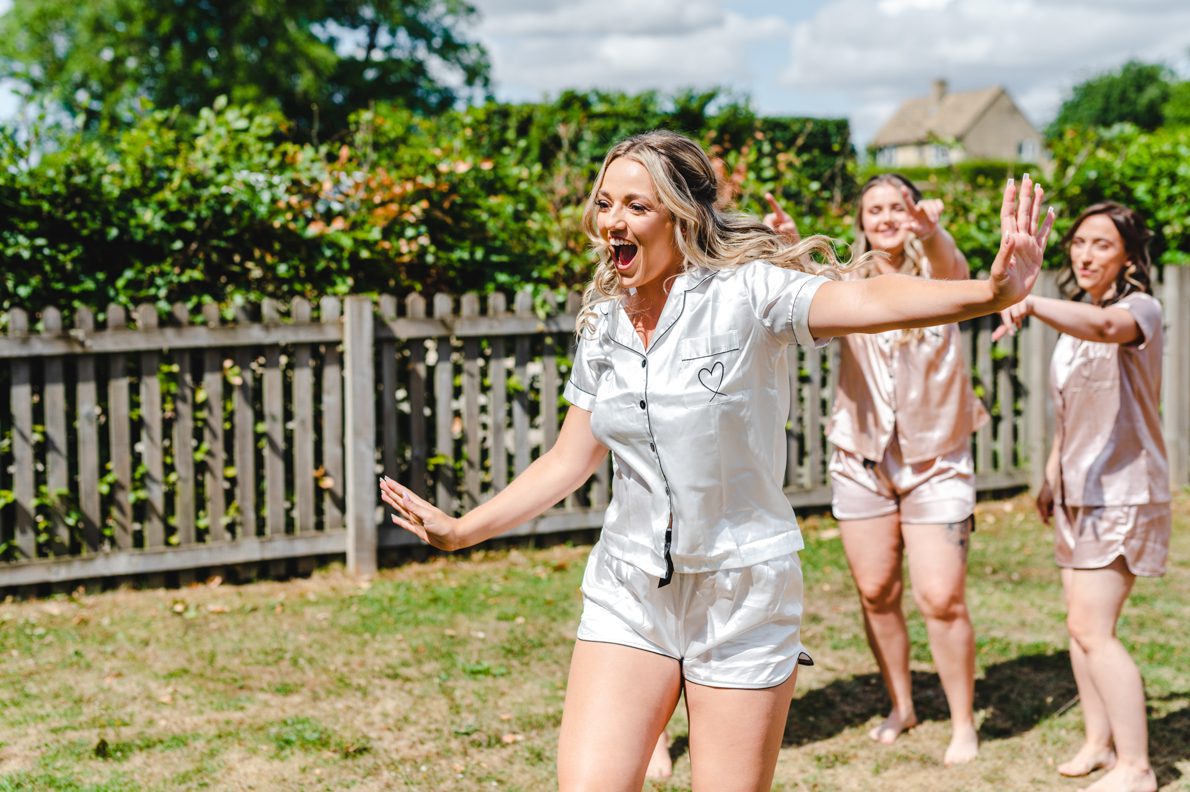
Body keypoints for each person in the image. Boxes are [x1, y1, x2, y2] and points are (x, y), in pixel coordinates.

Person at [380, 130, 1052, 791]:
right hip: (630, 589)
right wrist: (463, 531)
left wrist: (990, 294)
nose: (613, 220)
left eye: (636, 206)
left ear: (684, 215)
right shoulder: (603, 325)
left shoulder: (748, 295)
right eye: (605, 202)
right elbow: (567, 458)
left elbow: (868, 298)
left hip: (742, 594)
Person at [766, 174, 988, 765]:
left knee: (940, 597)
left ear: (914, 212)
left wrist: (932, 229)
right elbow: (801, 295)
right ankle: (902, 704)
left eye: (897, 206)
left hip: (937, 459)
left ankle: (963, 720)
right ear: (860, 222)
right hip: (861, 459)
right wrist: (789, 248)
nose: (886, 217)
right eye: (874, 209)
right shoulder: (847, 283)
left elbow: (954, 264)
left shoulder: (940, 274)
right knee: (876, 590)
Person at [994, 201, 1165, 792]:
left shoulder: (1138, 309)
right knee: (1078, 627)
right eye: (1079, 243)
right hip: (1076, 492)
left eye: (1102, 244)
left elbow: (1106, 330)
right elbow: (1069, 411)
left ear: (1129, 255)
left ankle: (1137, 767)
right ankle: (1099, 741)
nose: (1086, 255)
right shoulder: (1079, 312)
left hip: (1124, 492)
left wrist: (1032, 301)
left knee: (1095, 628)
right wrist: (1050, 475)